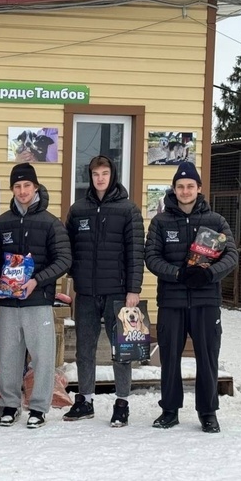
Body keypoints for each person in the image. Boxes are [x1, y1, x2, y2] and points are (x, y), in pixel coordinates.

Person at [145, 161, 238, 433]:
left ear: (199, 188)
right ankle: (170, 410)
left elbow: (231, 255)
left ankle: (208, 412)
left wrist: (208, 276)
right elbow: (151, 256)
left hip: (206, 302)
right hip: (172, 302)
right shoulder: (161, 222)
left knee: (208, 356)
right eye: (180, 186)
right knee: (170, 357)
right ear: (173, 190)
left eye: (190, 186)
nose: (185, 191)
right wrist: (177, 274)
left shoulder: (216, 221)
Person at [63, 155, 145, 427]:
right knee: (84, 349)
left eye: (105, 173)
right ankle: (85, 400)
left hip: (118, 294)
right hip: (86, 293)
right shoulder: (78, 210)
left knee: (121, 350)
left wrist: (133, 289)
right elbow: (69, 250)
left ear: (113, 175)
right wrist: (74, 279)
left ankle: (122, 403)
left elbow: (135, 253)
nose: (100, 178)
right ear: (90, 176)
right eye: (95, 173)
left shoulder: (128, 210)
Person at [0, 163, 71, 429]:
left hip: (38, 300)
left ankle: (38, 407)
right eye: (17, 186)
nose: (22, 191)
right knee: (8, 355)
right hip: (9, 302)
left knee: (42, 355)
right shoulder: (2, 222)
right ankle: (11, 404)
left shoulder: (50, 223)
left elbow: (63, 260)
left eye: (27, 185)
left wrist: (37, 280)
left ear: (35, 187)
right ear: (12, 189)